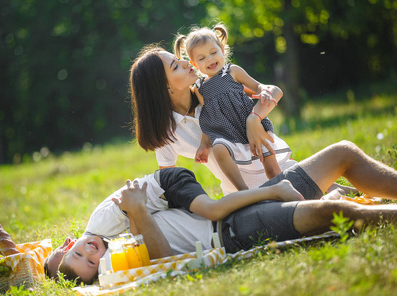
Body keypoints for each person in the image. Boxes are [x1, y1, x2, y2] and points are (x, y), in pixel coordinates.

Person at [47, 140, 397, 285]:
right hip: (234, 232)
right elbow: (164, 260)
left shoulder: (107, 228)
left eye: (80, 250)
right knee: (333, 211)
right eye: (88, 263)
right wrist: (138, 209)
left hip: (239, 205)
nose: (90, 253)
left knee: (342, 153)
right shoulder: (117, 264)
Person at [130, 45, 350, 195]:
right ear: (163, 88)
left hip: (281, 171)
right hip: (245, 195)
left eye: (179, 59)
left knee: (342, 181)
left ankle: (328, 187)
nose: (187, 62)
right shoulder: (168, 134)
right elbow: (166, 187)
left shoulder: (214, 87)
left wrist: (254, 119)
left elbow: (272, 91)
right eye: (175, 66)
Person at [174, 23, 289, 190]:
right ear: (193, 63)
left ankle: (286, 192)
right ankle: (243, 191)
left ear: (222, 48)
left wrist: (263, 91)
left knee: (272, 170)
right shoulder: (199, 87)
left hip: (253, 128)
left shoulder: (232, 71)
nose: (210, 59)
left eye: (213, 52)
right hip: (226, 134)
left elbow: (257, 86)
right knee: (219, 149)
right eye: (202, 58)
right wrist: (204, 145)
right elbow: (207, 117)